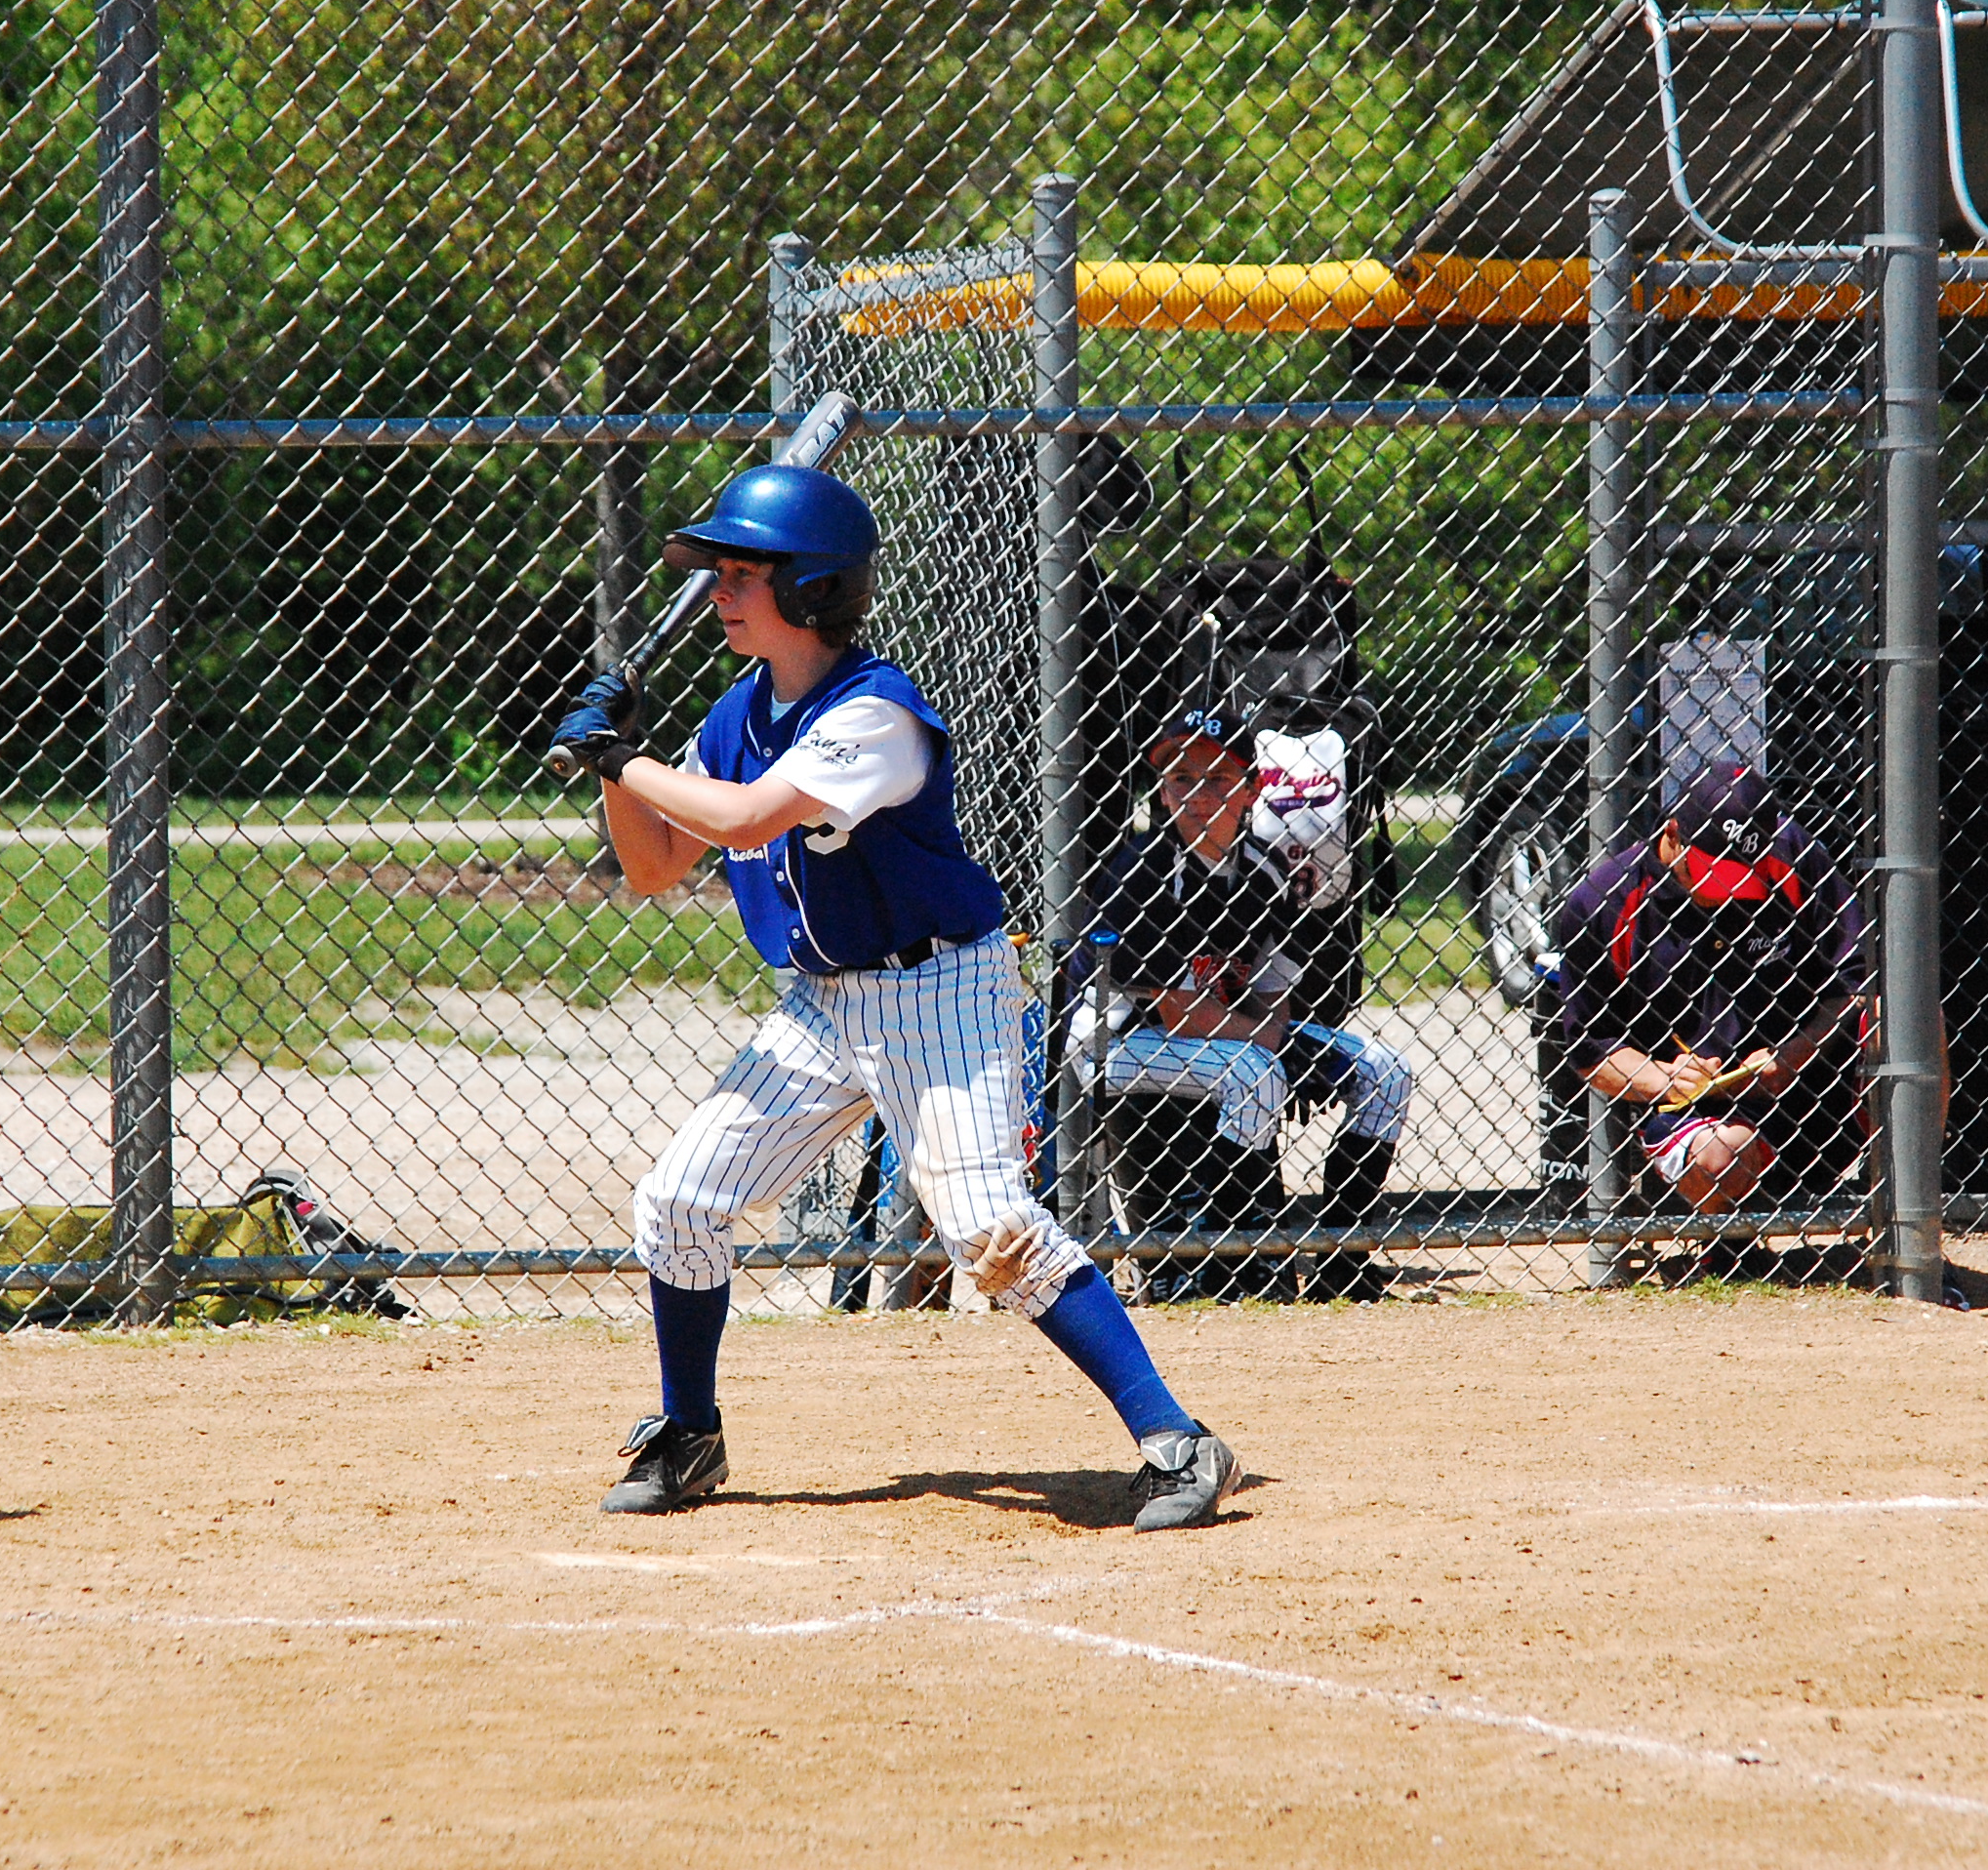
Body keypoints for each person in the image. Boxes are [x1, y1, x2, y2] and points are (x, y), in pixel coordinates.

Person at [547, 462, 1241, 1530]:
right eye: (718, 573)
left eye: (742, 573)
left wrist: (624, 756)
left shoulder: (873, 712)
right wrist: (614, 768)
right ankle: (688, 1434)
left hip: (941, 993)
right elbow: (653, 866)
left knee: (990, 1229)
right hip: (823, 1003)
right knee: (679, 1201)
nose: (720, 591)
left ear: (812, 586)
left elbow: (744, 820)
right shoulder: (736, 715)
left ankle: (1176, 1439)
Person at [1073, 701, 1412, 1300]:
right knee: (1254, 1072)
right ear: (1162, 791)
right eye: (1181, 778)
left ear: (1252, 789)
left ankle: (1341, 1255)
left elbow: (1273, 993)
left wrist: (1278, 1040)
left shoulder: (1263, 868)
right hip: (1119, 1041)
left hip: (1226, 1036)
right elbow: (1181, 1014)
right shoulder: (1145, 871)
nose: (1198, 795)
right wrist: (1274, 1046)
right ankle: (1235, 1256)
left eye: (1218, 778)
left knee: (1386, 1072)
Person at [1553, 763, 1865, 1216]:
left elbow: (1857, 981)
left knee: (1907, 1013)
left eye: (1742, 879)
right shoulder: (1605, 902)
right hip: (1698, 1112)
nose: (1726, 893)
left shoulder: (1792, 856)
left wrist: (1796, 1053)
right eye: (1714, 874)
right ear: (1673, 834)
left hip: (1810, 1078)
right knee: (1722, 1156)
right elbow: (1591, 1048)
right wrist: (1666, 1078)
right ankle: (1728, 1241)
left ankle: (1905, 1218)